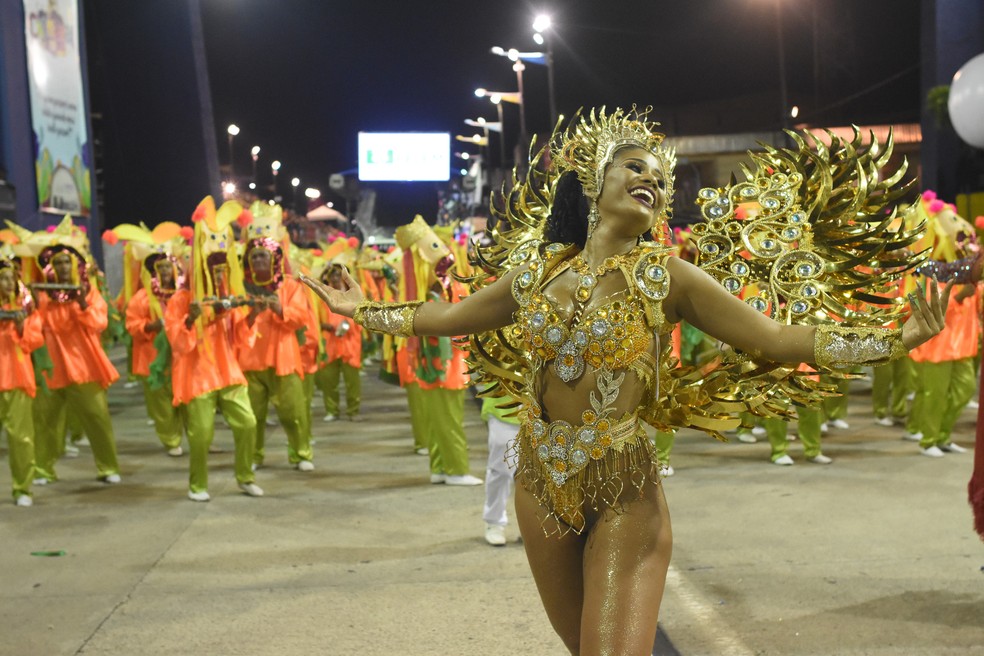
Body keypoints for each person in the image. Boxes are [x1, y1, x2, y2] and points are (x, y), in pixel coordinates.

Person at [301, 108, 950, 654]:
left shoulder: (668, 275)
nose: (653, 181)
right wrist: (360, 310)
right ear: (592, 180)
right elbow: (446, 318)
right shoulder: (537, 274)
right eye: (636, 167)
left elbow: (777, 340)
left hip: (623, 489)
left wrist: (890, 340)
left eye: (661, 179)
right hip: (538, 484)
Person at [165, 197, 263, 501]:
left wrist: (253, 315)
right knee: (201, 434)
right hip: (198, 374)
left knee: (247, 422)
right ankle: (198, 485)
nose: (220, 275)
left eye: (223, 270)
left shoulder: (230, 296)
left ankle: (245, 476)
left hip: (228, 370)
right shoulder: (181, 300)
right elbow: (178, 343)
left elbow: (242, 338)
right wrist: (191, 318)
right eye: (215, 270)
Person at [32, 219, 122, 486]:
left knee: (97, 418)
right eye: (58, 262)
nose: (62, 267)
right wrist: (32, 302)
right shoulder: (43, 296)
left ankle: (108, 467)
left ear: (75, 266)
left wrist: (82, 303)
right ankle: (43, 470)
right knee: (45, 420)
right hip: (51, 368)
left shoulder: (89, 293)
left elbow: (100, 323)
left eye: (66, 262)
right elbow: (35, 327)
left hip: (84, 366)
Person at [0, 255, 43, 506]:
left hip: (16, 377)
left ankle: (22, 488)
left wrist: (20, 328)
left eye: (12, 278)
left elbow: (35, 340)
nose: (9, 283)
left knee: (20, 437)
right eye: (3, 279)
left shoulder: (25, 311)